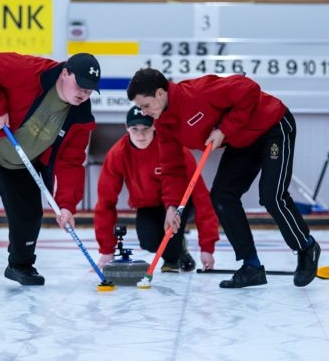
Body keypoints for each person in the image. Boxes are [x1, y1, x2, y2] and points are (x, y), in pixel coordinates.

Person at [127, 68, 321, 289]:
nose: (143, 112)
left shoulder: (197, 92)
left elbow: (249, 89)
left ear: (160, 93)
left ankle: (306, 247)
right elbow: (172, 168)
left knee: (271, 196)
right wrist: (172, 206)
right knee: (221, 195)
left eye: (145, 105)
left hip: (272, 126)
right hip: (242, 140)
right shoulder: (164, 124)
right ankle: (251, 266)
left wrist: (223, 129)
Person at [0, 52, 101, 290]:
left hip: (18, 158)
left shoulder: (80, 118)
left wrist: (67, 205)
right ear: (65, 73)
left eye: (89, 91)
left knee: (29, 210)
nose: (83, 94)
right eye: (80, 86)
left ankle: (20, 264)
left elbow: (71, 163)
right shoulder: (31, 72)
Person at [94, 105, 219, 273]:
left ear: (154, 125)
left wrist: (207, 248)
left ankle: (173, 255)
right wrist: (107, 249)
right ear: (126, 128)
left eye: (146, 128)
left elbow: (202, 198)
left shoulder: (173, 148)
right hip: (149, 205)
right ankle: (179, 246)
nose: (140, 135)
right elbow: (105, 202)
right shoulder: (117, 154)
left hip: (180, 204)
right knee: (148, 242)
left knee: (170, 253)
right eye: (134, 129)